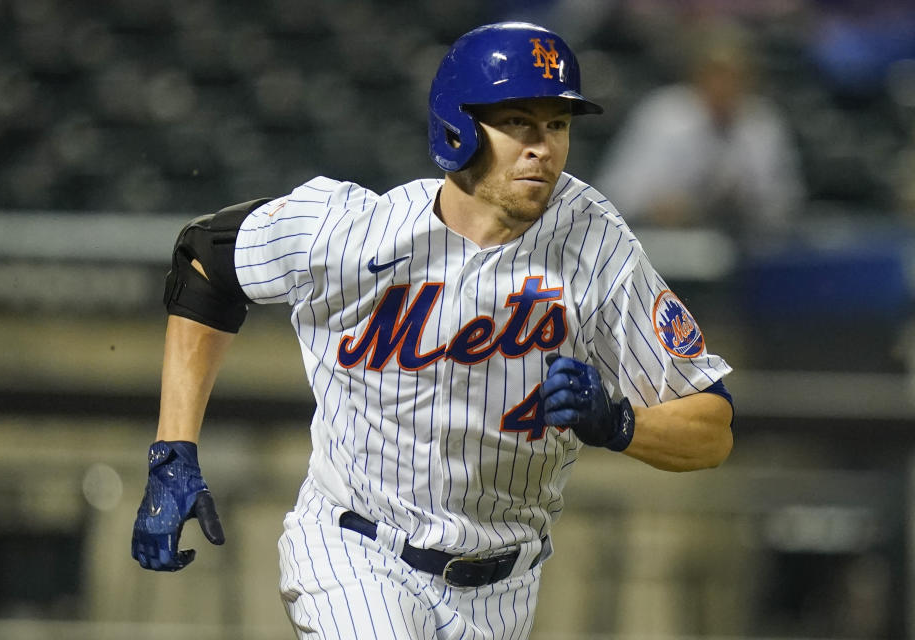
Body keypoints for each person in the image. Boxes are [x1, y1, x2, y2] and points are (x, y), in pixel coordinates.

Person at [131, 22, 734, 640]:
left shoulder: (596, 243)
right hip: (356, 552)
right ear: (459, 126)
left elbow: (713, 427)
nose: (543, 147)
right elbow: (205, 259)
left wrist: (619, 423)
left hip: (506, 586)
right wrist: (173, 450)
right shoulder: (358, 232)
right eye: (519, 122)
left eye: (557, 124)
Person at [594, 21, 804, 237]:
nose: (725, 85)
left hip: (748, 242)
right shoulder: (664, 116)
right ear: (697, 75)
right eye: (717, 74)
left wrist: (747, 199)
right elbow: (617, 193)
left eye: (736, 75)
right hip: (662, 240)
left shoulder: (764, 122)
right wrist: (657, 205)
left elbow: (786, 201)